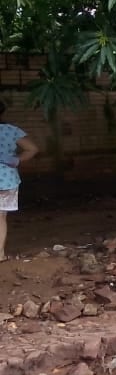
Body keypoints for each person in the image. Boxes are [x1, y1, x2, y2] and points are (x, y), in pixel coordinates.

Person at [0, 100, 39, 262]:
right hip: (7, 180)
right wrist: (16, 160)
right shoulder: (11, 130)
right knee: (0, 217)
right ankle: (0, 253)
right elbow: (33, 149)